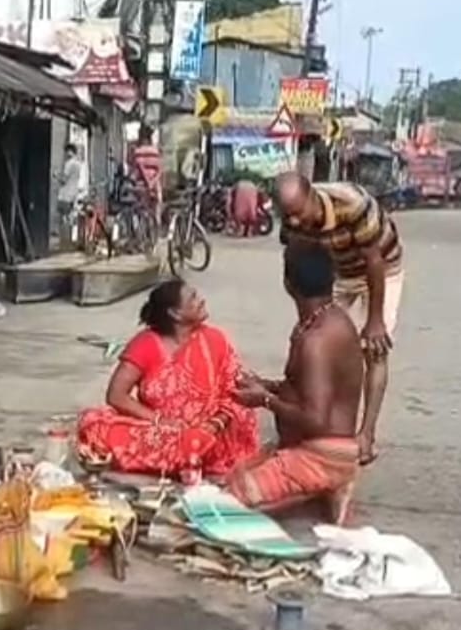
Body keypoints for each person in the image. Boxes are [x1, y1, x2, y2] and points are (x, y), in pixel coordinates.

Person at [272, 172, 405, 466]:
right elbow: (300, 281)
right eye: (287, 216)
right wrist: (306, 329)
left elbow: (374, 262)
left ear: (312, 196)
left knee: (375, 350)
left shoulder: (354, 204)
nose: (293, 222)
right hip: (338, 272)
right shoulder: (292, 220)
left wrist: (374, 322)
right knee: (320, 345)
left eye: (298, 213)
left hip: (381, 267)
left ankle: (366, 436)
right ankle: (319, 427)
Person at [227, 245, 366, 524]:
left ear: (288, 284)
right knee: (233, 475)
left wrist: (264, 399)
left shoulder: (317, 339)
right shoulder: (324, 320)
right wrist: (265, 385)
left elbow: (315, 419)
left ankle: (326, 484)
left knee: (227, 503)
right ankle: (321, 490)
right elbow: (308, 386)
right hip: (310, 445)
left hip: (322, 452)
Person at [77, 280, 260, 480]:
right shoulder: (145, 344)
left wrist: (214, 424)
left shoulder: (216, 339)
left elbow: (234, 389)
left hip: (214, 432)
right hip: (165, 434)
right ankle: (187, 455)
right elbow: (116, 396)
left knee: (242, 408)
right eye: (193, 298)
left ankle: (187, 454)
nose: (201, 301)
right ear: (175, 314)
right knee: (93, 422)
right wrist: (160, 421)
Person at [57, 143, 87, 241]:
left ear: (69, 151)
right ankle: (72, 239)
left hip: (65, 194)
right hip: (73, 194)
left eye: (66, 151)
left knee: (63, 218)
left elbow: (64, 180)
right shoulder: (79, 164)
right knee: (71, 217)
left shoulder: (68, 164)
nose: (65, 154)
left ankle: (65, 240)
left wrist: (56, 176)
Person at [128, 124, 163, 207]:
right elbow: (160, 169)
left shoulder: (138, 151)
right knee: (157, 207)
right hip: (155, 184)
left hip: (141, 184)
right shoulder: (155, 151)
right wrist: (153, 181)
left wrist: (148, 182)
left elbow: (139, 167)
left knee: (141, 208)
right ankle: (157, 219)